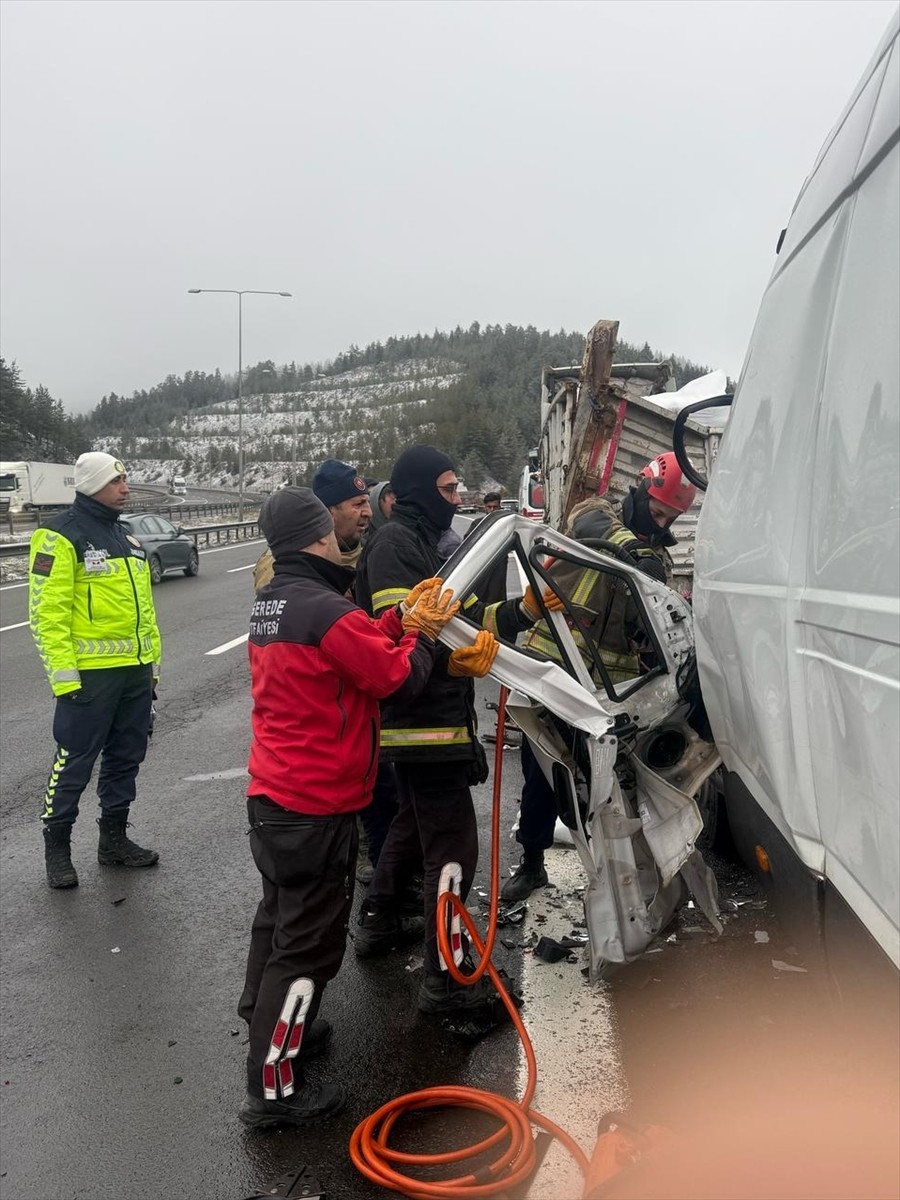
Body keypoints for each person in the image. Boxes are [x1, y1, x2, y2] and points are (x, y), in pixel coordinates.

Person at [237, 486, 459, 1129]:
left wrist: (396, 623)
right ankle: (274, 1087)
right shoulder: (323, 607)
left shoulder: (277, 604)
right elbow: (396, 679)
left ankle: (272, 1027)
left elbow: (348, 650)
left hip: (274, 797)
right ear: (317, 536)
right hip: (316, 804)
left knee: (277, 920)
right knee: (307, 947)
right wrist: (425, 638)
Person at [353, 444, 547, 1004]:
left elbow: (455, 622)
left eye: (459, 489)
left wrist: (521, 614)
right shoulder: (395, 545)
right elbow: (406, 633)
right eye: (447, 489)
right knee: (453, 846)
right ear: (414, 491)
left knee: (414, 828)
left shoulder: (429, 546)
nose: (457, 499)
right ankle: (450, 974)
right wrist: (450, 658)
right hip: (423, 723)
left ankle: (379, 920)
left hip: (433, 715)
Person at [501, 452, 697, 902]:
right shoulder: (599, 513)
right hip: (556, 667)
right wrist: (632, 552)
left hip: (606, 691)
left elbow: (650, 635)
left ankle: (608, 875)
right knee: (541, 771)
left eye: (671, 518)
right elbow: (587, 523)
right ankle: (531, 864)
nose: (662, 522)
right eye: (658, 510)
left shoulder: (657, 565)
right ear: (641, 492)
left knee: (596, 781)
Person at [28, 451, 161, 890]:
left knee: (126, 758)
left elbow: (145, 614)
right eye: (116, 481)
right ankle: (57, 849)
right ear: (91, 485)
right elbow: (47, 616)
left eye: (125, 479)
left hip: (134, 674)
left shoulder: (127, 537)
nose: (125, 488)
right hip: (89, 677)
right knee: (73, 763)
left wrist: (152, 672)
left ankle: (114, 841)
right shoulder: (58, 536)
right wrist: (65, 680)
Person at [252, 458, 372, 589]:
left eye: (368, 503)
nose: (368, 512)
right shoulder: (281, 569)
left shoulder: (373, 553)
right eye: (359, 504)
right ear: (328, 512)